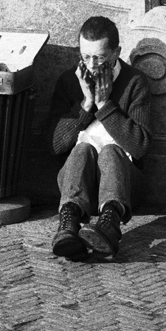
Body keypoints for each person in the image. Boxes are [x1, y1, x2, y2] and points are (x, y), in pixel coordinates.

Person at [46, 16, 152, 261]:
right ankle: (68, 225)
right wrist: (86, 105)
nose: (91, 65)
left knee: (110, 152)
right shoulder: (68, 81)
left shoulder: (135, 82)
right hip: (77, 188)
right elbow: (53, 146)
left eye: (100, 57)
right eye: (85, 57)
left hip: (123, 188)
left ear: (116, 53)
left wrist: (105, 106)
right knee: (82, 149)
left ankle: (109, 228)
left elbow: (141, 146)